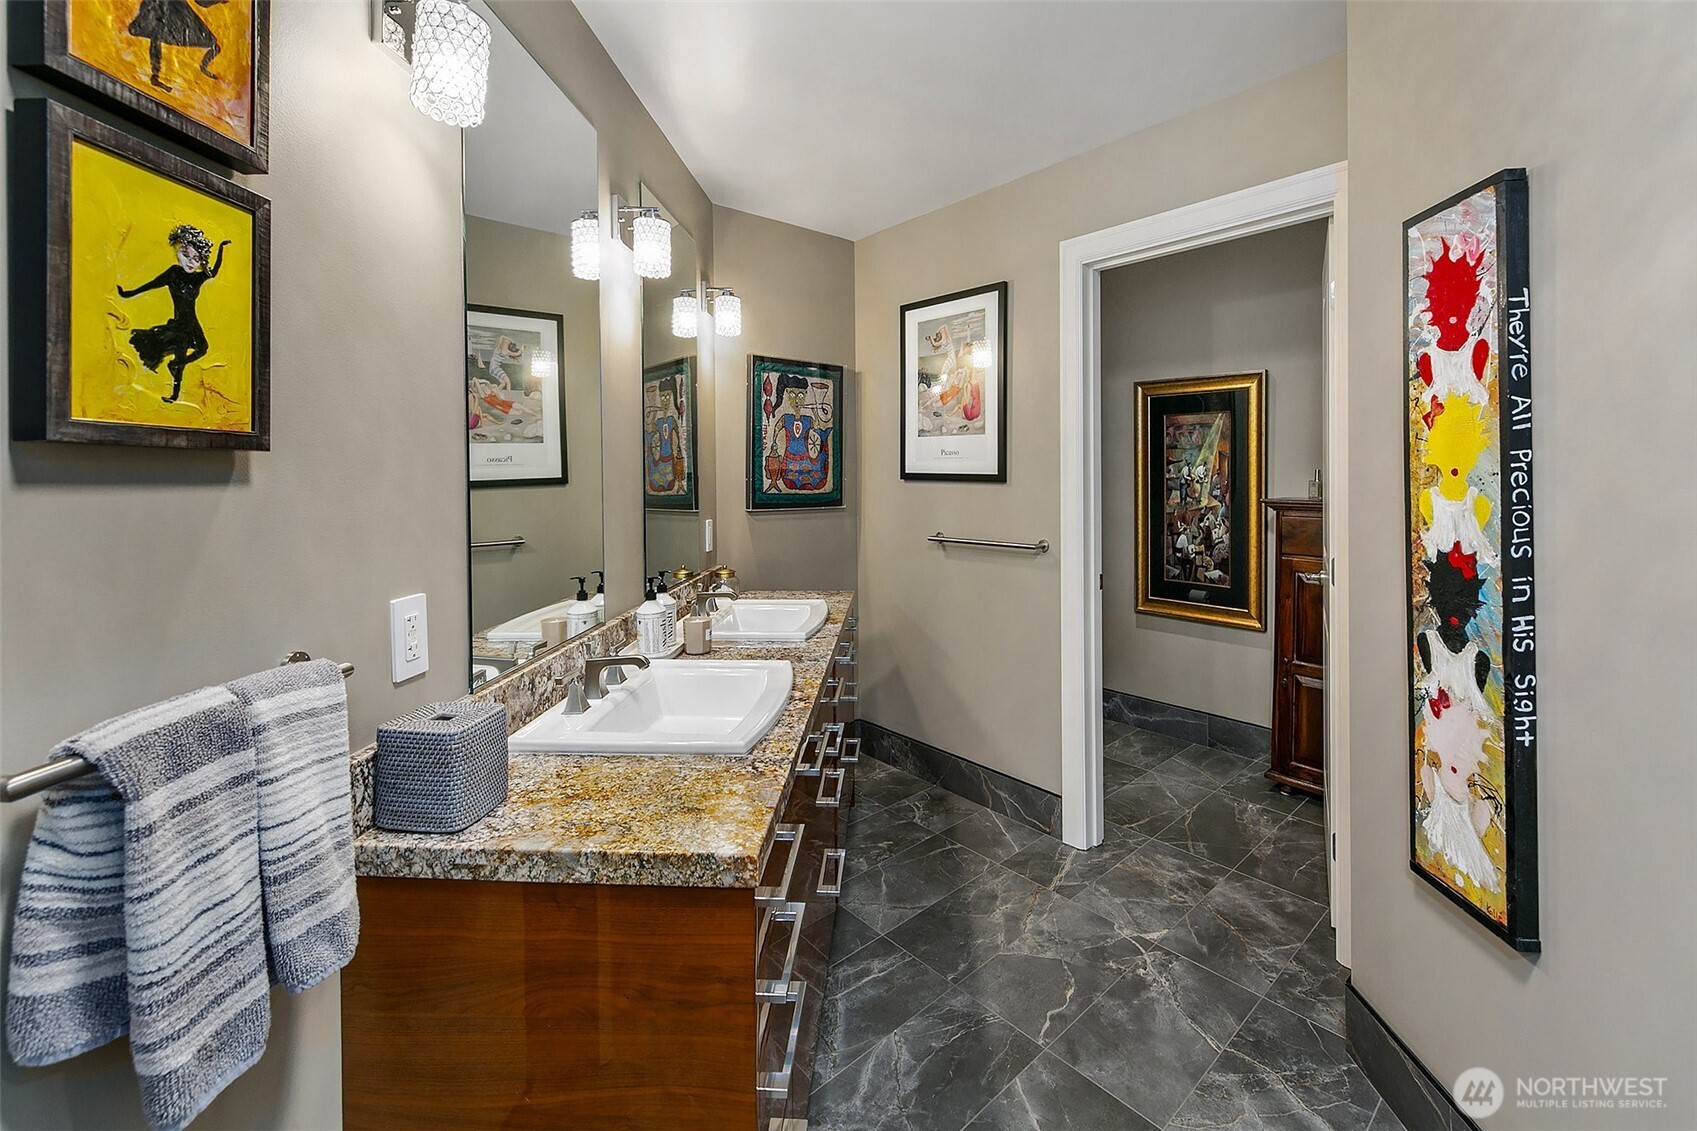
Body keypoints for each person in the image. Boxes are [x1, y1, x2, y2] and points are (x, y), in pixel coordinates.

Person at [116, 224, 230, 404]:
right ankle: (174, 394)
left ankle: (175, 365)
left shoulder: (197, 278)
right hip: (179, 326)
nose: (191, 262)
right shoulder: (173, 274)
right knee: (181, 355)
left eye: (196, 258)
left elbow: (213, 272)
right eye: (186, 255)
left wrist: (221, 248)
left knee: (202, 349)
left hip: (192, 323)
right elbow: (151, 285)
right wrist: (128, 293)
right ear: (177, 252)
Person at [125, 0, 229, 93]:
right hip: (168, 12)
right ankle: (155, 74)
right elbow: (202, 2)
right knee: (157, 33)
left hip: (173, 13)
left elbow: (202, 3)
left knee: (157, 33)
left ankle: (156, 74)